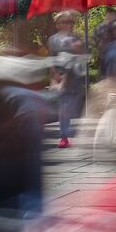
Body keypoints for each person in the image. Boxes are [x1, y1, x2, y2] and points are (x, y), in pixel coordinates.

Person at [46, 11, 86, 149]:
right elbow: (51, 57)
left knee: (71, 107)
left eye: (68, 22)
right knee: (63, 108)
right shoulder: (52, 40)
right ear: (57, 24)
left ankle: (68, 133)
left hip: (73, 77)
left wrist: (79, 51)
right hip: (59, 77)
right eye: (61, 22)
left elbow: (82, 57)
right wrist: (54, 73)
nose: (65, 24)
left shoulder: (76, 38)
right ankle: (64, 136)